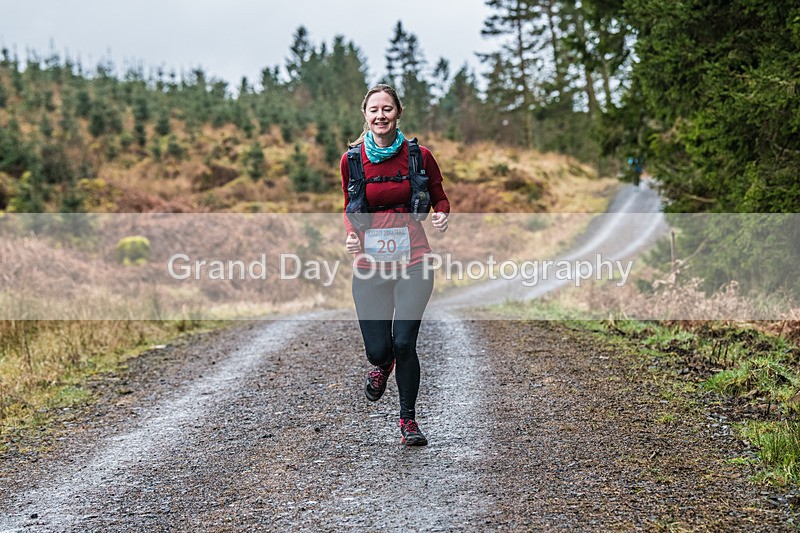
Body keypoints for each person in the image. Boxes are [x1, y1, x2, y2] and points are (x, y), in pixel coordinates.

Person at [341, 84, 450, 446]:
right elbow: (349, 207)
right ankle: (382, 365)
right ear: (365, 115)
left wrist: (441, 215)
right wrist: (352, 236)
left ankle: (408, 421)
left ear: (398, 112)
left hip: (414, 261)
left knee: (404, 342)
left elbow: (440, 197)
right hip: (370, 265)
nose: (381, 115)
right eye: (374, 110)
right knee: (378, 350)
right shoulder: (352, 160)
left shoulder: (420, 156)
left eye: (387, 109)